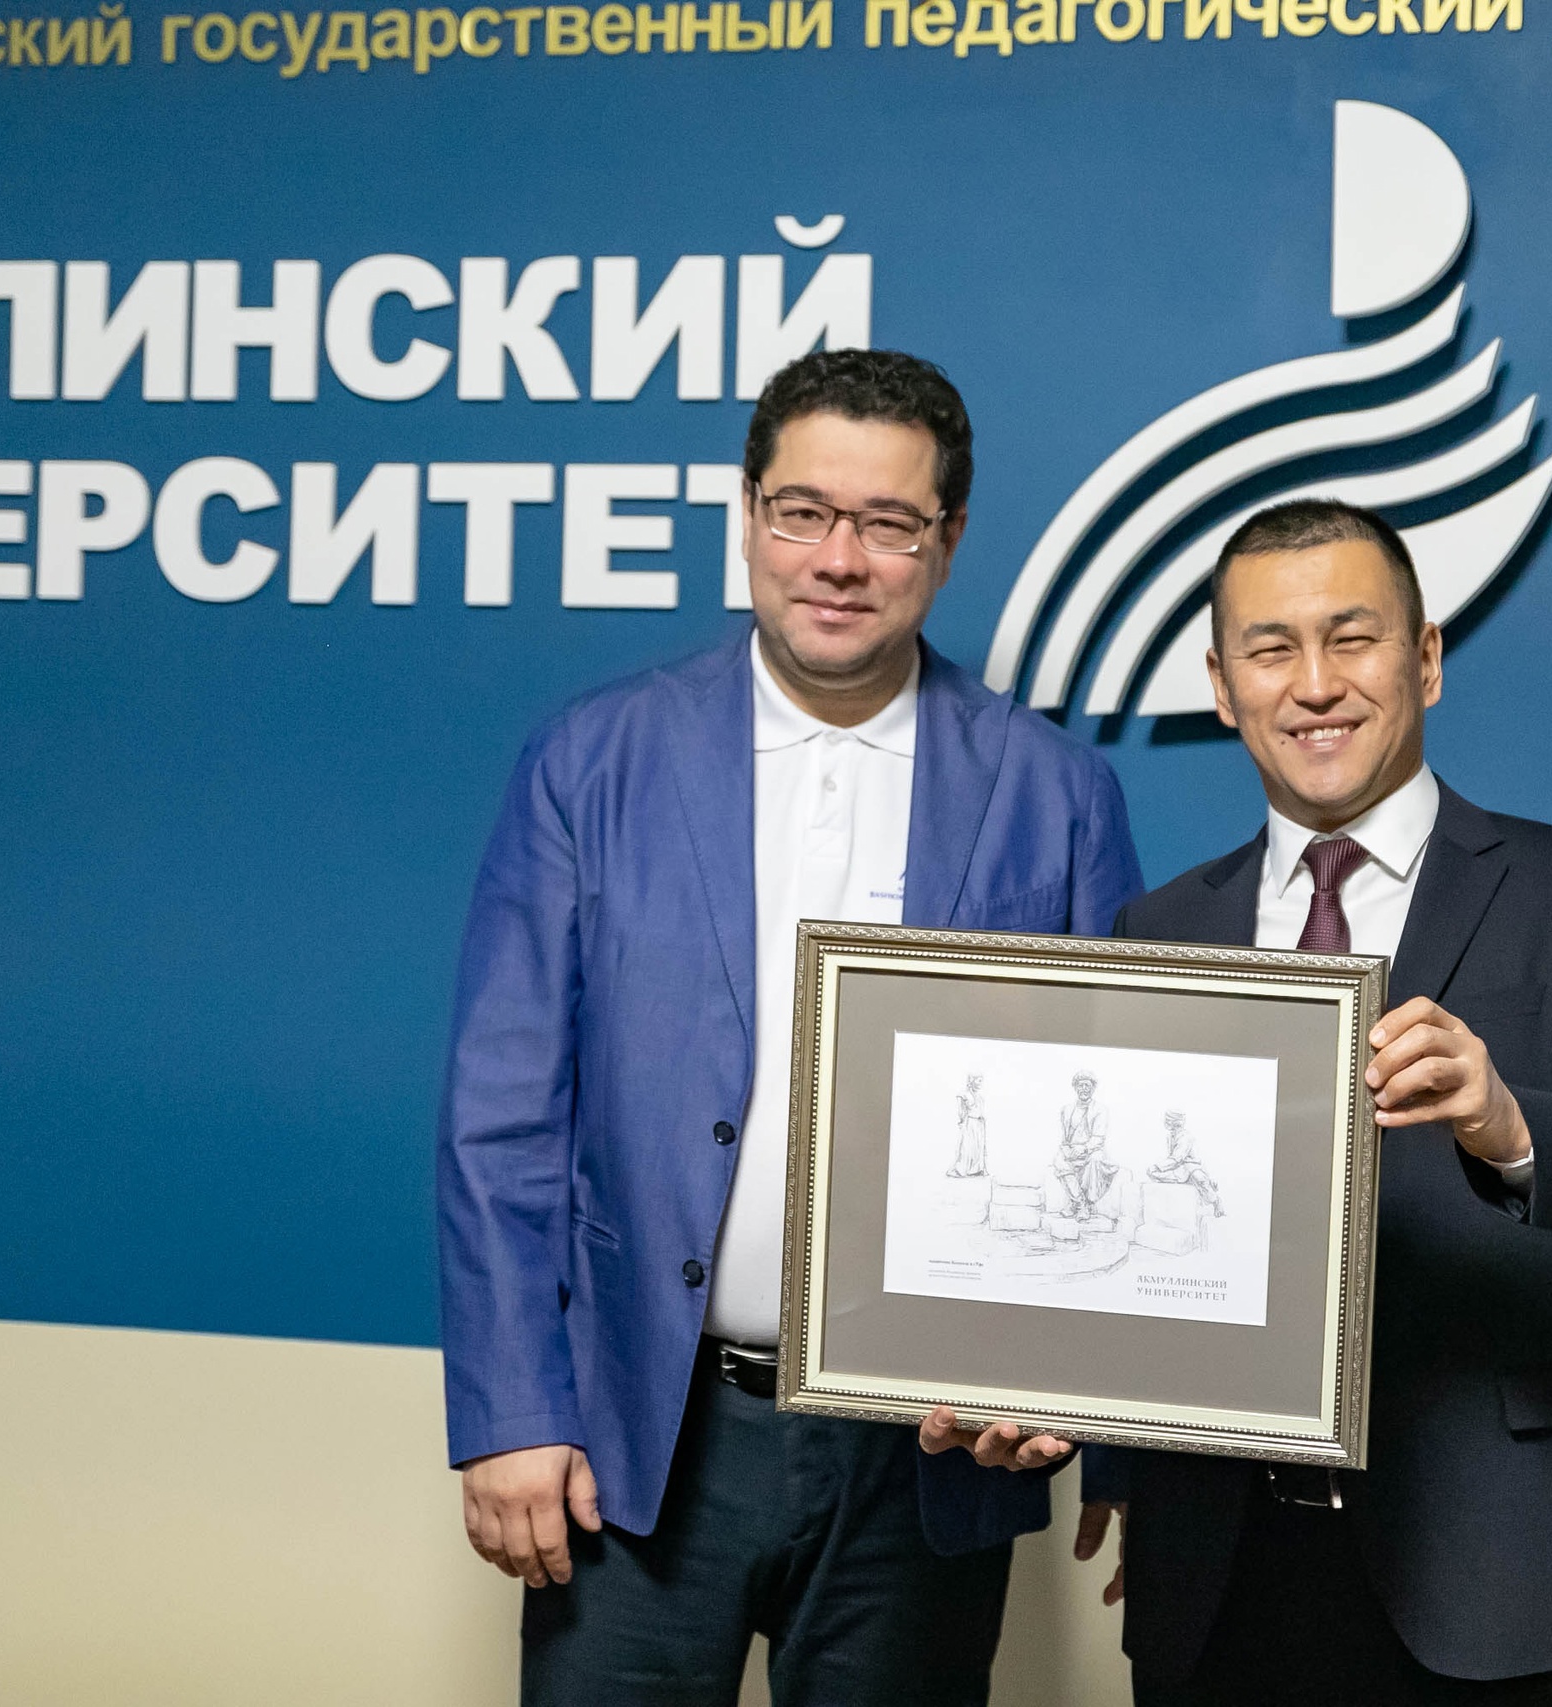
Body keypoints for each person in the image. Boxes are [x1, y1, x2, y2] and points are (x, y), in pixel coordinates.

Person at [437, 348, 1141, 1707]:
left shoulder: (1055, 790)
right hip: (641, 1433)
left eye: (889, 523)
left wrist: (1108, 1431)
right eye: (803, 511)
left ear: (948, 542)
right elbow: (501, 1119)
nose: (839, 559)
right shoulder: (591, 760)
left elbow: (1099, 1122)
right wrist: (513, 1410)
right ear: (748, 513)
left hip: (922, 1458)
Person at [1069, 498, 1552, 1705]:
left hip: (1484, 1568)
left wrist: (1514, 1128)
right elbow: (1126, 1236)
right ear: (1222, 687)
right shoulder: (1160, 927)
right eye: (1271, 649)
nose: (1314, 684)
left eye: (1353, 638)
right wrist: (1077, 1430)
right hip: (1213, 1567)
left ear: (1425, 659)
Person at [1050, 1068, 1115, 1218]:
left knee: (1095, 1160)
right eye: (1080, 1085)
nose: (1084, 1089)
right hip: (1071, 1149)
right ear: (1075, 1087)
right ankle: (1080, 1203)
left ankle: (1079, 1205)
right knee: (1059, 1161)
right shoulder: (1066, 1109)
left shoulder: (1101, 1109)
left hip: (1091, 1150)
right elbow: (1064, 1137)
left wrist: (1084, 1148)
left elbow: (1098, 1137)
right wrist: (1066, 1149)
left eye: (1087, 1085)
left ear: (1093, 1088)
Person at [1144, 1110, 1224, 1219]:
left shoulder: (1186, 1137)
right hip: (1179, 1168)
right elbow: (1173, 1159)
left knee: (1200, 1180)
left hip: (1192, 1167)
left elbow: (1177, 1158)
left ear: (1174, 1123)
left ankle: (1216, 1201)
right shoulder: (1171, 1136)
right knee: (1154, 1174)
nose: (1165, 1122)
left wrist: (1157, 1166)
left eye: (1168, 1120)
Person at [950, 1073, 989, 1178]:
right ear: (972, 1080)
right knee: (967, 1146)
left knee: (978, 1146)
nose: (981, 1083)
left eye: (981, 1080)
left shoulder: (980, 1096)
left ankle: (976, 1169)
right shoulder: (963, 1094)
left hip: (979, 1123)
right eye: (979, 1080)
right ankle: (961, 1169)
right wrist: (961, 1121)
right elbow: (960, 1111)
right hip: (970, 1122)